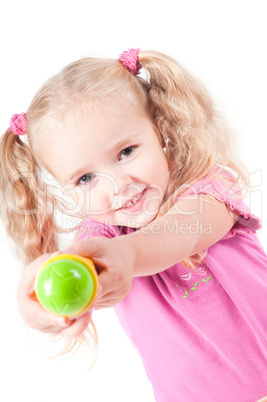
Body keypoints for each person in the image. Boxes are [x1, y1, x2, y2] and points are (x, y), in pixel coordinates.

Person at [0, 48, 267, 401]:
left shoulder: (208, 187)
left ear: (161, 131)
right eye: (86, 178)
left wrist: (127, 254)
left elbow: (181, 234)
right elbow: (68, 267)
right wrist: (35, 300)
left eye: (126, 152)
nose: (118, 185)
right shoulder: (101, 240)